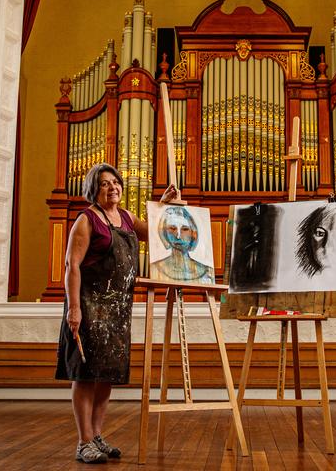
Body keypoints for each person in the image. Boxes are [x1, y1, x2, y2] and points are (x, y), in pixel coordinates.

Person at [55, 162, 177, 463]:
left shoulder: (125, 217)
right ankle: (83, 442)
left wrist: (163, 205)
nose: (112, 187)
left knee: (106, 375)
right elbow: (72, 266)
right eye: (104, 183)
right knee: (86, 376)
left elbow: (149, 233)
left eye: (115, 182)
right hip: (89, 307)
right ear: (93, 190)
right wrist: (74, 309)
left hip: (118, 310)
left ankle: (97, 436)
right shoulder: (86, 220)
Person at [150, 206, 215, 284]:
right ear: (164, 233)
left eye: (184, 229)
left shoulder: (208, 272)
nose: (178, 236)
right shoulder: (155, 269)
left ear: (193, 233)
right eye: (172, 228)